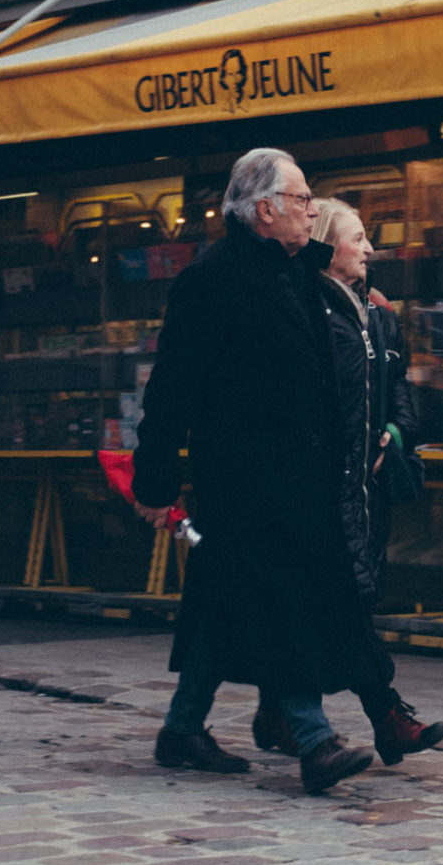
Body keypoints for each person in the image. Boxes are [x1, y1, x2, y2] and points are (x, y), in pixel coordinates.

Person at [131, 148, 381, 794]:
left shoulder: (298, 271)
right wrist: (154, 480)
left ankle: (182, 728)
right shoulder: (211, 280)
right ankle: (315, 740)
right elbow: (172, 388)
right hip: (244, 480)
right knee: (284, 598)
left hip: (303, 475)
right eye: (301, 199)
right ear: (264, 210)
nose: (311, 210)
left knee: (227, 599)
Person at [253, 198, 443, 766]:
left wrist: (392, 434)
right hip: (324, 490)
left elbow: (400, 393)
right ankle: (381, 718)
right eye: (358, 237)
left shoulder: (379, 316)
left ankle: (279, 711)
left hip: (367, 492)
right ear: (326, 244)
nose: (369, 248)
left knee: (340, 603)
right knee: (342, 604)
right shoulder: (309, 313)